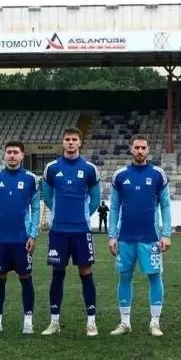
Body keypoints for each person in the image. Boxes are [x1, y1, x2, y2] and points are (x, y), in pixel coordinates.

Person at [107, 135, 171, 337]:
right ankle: (125, 322)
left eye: (143, 147)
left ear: (148, 149)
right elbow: (114, 207)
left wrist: (166, 234)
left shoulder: (158, 174)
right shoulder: (120, 175)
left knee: (154, 277)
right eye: (137, 147)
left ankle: (155, 322)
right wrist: (112, 235)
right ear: (131, 149)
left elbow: (165, 205)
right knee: (124, 277)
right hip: (125, 237)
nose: (140, 151)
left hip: (150, 237)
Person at [41, 126, 102, 336]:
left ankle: (91, 322)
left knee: (86, 272)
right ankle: (54, 322)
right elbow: (47, 196)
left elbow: (95, 199)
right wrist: (59, 214)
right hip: (58, 230)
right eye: (67, 139)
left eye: (74, 139)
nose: (70, 142)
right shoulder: (51, 168)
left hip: (81, 230)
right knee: (57, 273)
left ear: (80, 143)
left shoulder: (90, 169)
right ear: (63, 142)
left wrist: (82, 216)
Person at [0, 140, 41, 335]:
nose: (12, 155)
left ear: (22, 155)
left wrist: (33, 235)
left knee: (26, 278)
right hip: (0, 240)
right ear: (4, 154)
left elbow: (36, 208)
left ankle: (28, 322)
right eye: (9, 152)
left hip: (22, 240)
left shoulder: (31, 179)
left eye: (16, 152)